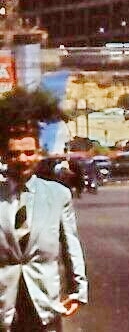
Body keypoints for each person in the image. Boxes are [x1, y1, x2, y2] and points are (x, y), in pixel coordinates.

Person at [0, 129, 88, 330]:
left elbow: (70, 245)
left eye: (29, 152)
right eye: (14, 154)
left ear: (39, 154)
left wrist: (78, 290)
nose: (22, 159)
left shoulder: (57, 194)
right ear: (5, 156)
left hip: (43, 299)